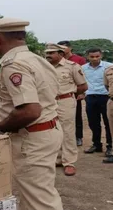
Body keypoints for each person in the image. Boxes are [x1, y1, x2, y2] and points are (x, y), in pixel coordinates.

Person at [0, 17, 63, 210]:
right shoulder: (36, 59)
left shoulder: (14, 65)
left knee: (39, 199)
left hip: (31, 137)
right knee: (36, 193)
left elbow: (29, 110)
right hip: (47, 130)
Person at [45, 43, 88, 176]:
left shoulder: (72, 67)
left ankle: (69, 162)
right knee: (51, 130)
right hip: (48, 102)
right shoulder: (44, 67)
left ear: (61, 54)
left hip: (65, 101)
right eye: (47, 53)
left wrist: (69, 94)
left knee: (67, 131)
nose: (48, 55)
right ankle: (57, 159)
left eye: (51, 53)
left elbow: (83, 86)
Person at [82, 48, 113, 156]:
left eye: (97, 56)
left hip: (105, 96)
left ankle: (110, 146)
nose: (94, 59)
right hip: (90, 97)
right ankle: (96, 144)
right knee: (93, 122)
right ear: (87, 57)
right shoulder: (83, 68)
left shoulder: (109, 66)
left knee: (108, 122)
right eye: (92, 57)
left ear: (101, 56)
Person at [58, 41, 87, 146]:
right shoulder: (57, 60)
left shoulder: (79, 60)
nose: (62, 49)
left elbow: (84, 77)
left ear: (70, 48)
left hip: (75, 92)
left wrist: (82, 92)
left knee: (77, 116)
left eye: (64, 47)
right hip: (61, 93)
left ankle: (78, 137)